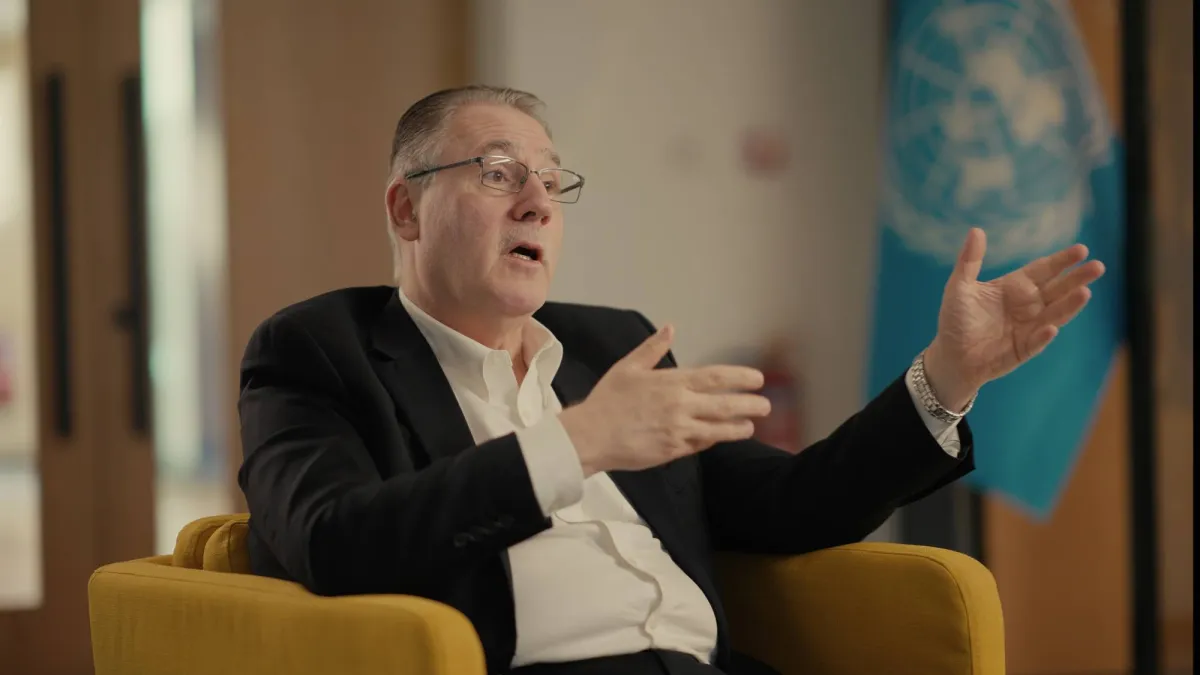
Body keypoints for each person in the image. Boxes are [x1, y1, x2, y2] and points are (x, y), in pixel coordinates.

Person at [237, 85, 1106, 675]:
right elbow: (331, 540)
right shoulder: (318, 350)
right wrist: (576, 443)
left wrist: (949, 374)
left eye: (551, 181)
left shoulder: (609, 344)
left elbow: (793, 504)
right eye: (498, 174)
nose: (536, 201)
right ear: (405, 208)